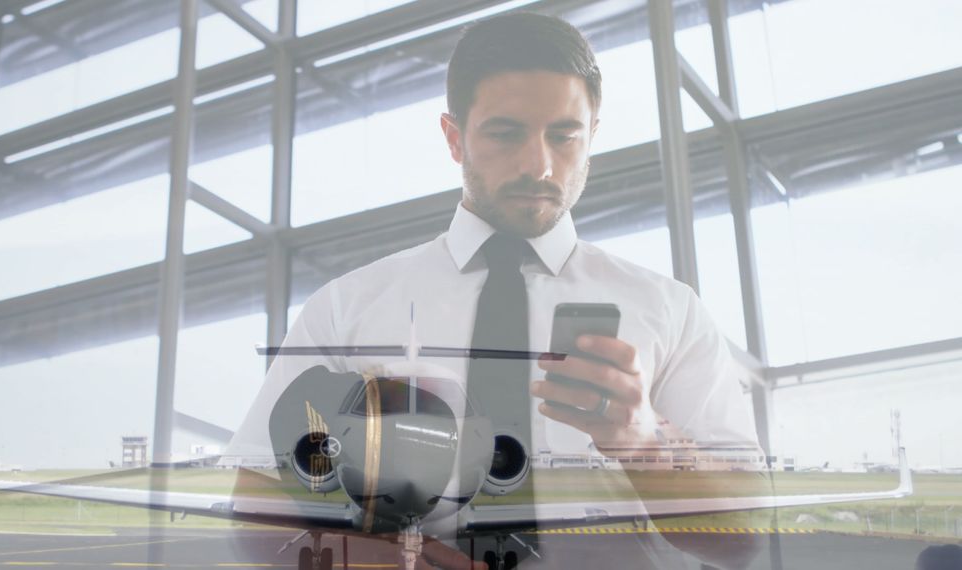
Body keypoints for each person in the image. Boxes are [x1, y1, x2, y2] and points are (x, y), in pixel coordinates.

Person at [226, 12, 764, 569]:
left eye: (564, 135)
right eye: (506, 133)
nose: (539, 165)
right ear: (454, 138)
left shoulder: (669, 311)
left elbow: (743, 536)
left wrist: (643, 440)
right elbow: (254, 507)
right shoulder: (347, 308)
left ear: (593, 136)